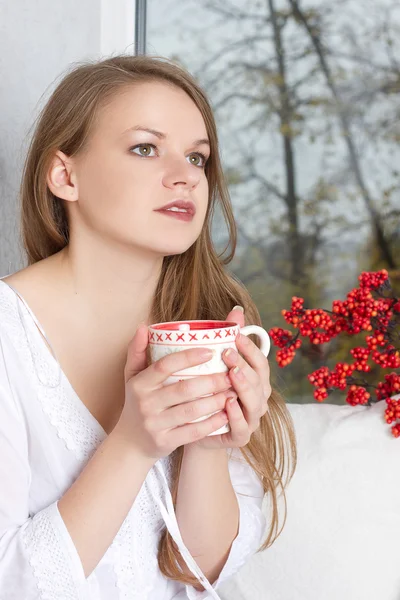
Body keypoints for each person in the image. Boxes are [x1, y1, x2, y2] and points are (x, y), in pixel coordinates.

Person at [0, 55, 296, 599]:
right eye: (145, 147)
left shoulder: (210, 334)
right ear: (66, 175)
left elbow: (200, 571)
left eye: (197, 157)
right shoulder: (5, 336)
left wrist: (207, 443)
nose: (185, 175)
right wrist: (133, 444)